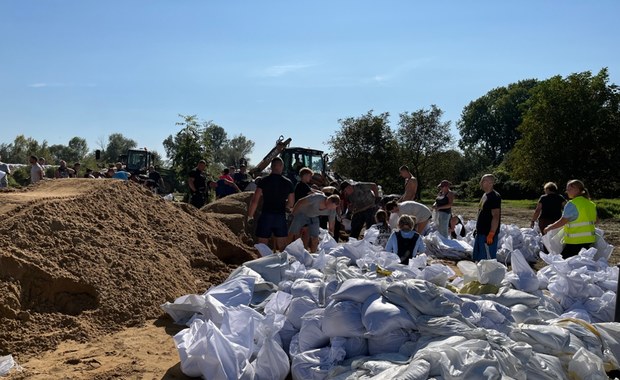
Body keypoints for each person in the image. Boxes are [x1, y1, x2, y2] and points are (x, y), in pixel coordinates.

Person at [247, 157, 295, 251]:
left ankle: (261, 264)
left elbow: (255, 200)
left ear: (271, 166)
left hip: (266, 216)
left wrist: (250, 216)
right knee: (282, 247)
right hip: (280, 217)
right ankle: (283, 264)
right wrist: (286, 207)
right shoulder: (288, 183)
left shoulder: (264, 181)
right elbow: (291, 203)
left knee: (262, 246)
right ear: (282, 167)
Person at [543, 179, 597, 259]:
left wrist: (549, 228)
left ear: (577, 190)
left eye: (569, 189)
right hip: (589, 240)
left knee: (564, 263)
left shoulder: (572, 204)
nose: (567, 191)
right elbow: (596, 220)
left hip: (575, 241)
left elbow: (562, 221)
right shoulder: (591, 204)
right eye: (567, 189)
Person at [472, 174, 501, 261]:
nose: (481, 183)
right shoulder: (485, 195)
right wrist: (477, 228)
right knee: (479, 258)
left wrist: (491, 233)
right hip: (481, 232)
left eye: (483, 181)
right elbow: (481, 212)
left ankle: (489, 274)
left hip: (487, 234)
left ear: (490, 183)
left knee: (488, 260)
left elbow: (496, 216)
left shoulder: (494, 197)